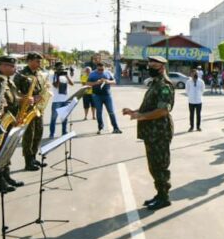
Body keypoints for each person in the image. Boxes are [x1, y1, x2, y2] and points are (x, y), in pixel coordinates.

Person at [123, 55, 174, 210]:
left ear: (162, 67)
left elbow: (163, 110)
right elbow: (149, 107)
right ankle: (159, 194)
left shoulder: (164, 85)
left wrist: (141, 116)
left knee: (160, 165)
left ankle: (164, 198)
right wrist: (135, 111)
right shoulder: (154, 84)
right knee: (153, 165)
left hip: (159, 132)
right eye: (149, 64)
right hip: (151, 132)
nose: (150, 67)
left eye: (153, 65)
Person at [0, 56, 24, 193]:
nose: (15, 69)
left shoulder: (8, 80)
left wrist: (23, 100)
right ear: (3, 66)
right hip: (0, 120)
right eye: (12, 67)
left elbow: (13, 98)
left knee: (7, 149)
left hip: (10, 120)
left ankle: (6, 176)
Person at [14, 51, 48, 169]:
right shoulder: (21, 75)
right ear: (29, 61)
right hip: (27, 109)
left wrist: (42, 96)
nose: (39, 63)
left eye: (40, 61)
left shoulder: (39, 74)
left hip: (38, 108)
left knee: (38, 133)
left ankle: (33, 157)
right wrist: (26, 98)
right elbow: (14, 93)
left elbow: (42, 89)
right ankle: (28, 161)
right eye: (37, 61)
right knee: (29, 135)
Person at [87, 61, 122, 135]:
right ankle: (100, 128)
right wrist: (96, 83)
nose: (100, 71)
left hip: (107, 95)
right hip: (97, 96)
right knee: (99, 112)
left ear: (104, 68)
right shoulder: (92, 74)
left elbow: (114, 81)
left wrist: (107, 81)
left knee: (111, 111)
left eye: (102, 70)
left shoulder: (108, 73)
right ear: (96, 68)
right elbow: (88, 83)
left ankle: (116, 128)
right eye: (99, 70)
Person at [48, 61, 75, 138]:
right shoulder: (53, 75)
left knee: (64, 117)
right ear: (55, 69)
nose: (61, 70)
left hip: (65, 100)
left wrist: (66, 76)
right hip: (56, 100)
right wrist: (58, 77)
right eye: (60, 68)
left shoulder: (65, 75)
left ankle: (64, 132)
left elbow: (72, 84)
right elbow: (56, 86)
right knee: (54, 118)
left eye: (62, 68)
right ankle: (52, 133)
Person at [185, 67, 204, 132]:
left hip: (199, 101)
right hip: (191, 101)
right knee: (191, 114)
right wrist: (190, 95)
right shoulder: (188, 82)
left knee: (198, 114)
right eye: (192, 73)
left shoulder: (201, 81)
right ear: (191, 74)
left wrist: (199, 95)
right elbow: (187, 90)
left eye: (195, 73)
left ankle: (198, 127)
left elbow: (202, 90)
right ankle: (191, 127)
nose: (194, 74)